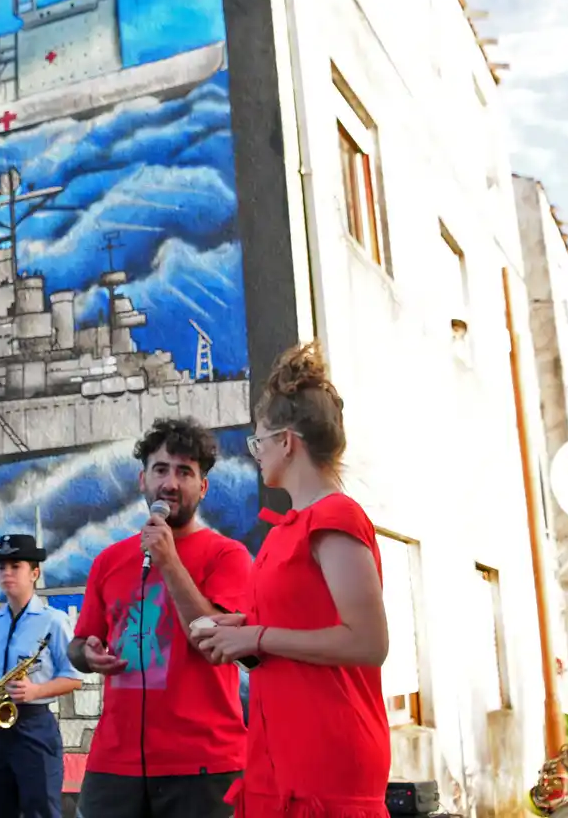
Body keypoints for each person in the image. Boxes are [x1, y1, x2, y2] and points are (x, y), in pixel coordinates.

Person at [192, 344, 390, 818]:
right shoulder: (288, 528)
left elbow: (368, 642)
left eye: (258, 441)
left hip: (323, 757)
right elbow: (295, 630)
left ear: (287, 441)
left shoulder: (335, 516)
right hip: (274, 750)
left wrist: (255, 635)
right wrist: (239, 633)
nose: (256, 454)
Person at [70, 417, 253, 817]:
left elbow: (215, 642)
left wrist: (169, 562)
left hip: (203, 766)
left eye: (184, 472)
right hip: (114, 765)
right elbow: (78, 644)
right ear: (142, 480)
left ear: (202, 487)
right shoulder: (108, 561)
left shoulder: (229, 557)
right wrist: (89, 653)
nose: (170, 483)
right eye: (161, 470)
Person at [0, 534, 82, 818]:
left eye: (15, 566)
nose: (6, 573)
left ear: (34, 573)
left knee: (41, 810)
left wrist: (36, 692)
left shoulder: (54, 621)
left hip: (34, 728)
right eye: (1, 567)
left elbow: (74, 677)